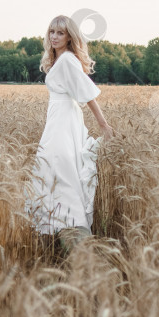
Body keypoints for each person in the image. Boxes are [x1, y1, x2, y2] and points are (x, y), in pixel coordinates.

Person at [24, 15, 114, 245]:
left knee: (61, 170)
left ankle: (73, 235)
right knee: (53, 169)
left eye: (60, 33)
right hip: (57, 120)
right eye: (51, 32)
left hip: (64, 123)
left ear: (69, 36)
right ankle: (58, 231)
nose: (54, 37)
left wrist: (103, 125)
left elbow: (88, 93)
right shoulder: (60, 60)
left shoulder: (67, 61)